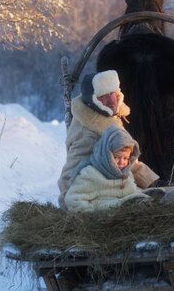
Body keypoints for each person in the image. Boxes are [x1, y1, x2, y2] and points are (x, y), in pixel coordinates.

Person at [58, 70, 158, 207]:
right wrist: (69, 204)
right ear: (92, 100)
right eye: (103, 96)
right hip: (101, 195)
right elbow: (70, 173)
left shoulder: (108, 117)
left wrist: (152, 181)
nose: (112, 101)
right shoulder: (87, 132)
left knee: (166, 194)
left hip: (118, 184)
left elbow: (125, 160)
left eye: (112, 93)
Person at [64, 125, 150, 211]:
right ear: (106, 156)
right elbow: (73, 199)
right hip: (106, 213)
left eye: (125, 158)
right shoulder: (90, 175)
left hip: (127, 212)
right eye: (116, 157)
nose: (122, 162)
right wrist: (91, 215)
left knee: (148, 199)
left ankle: (150, 198)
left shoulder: (126, 174)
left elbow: (131, 191)